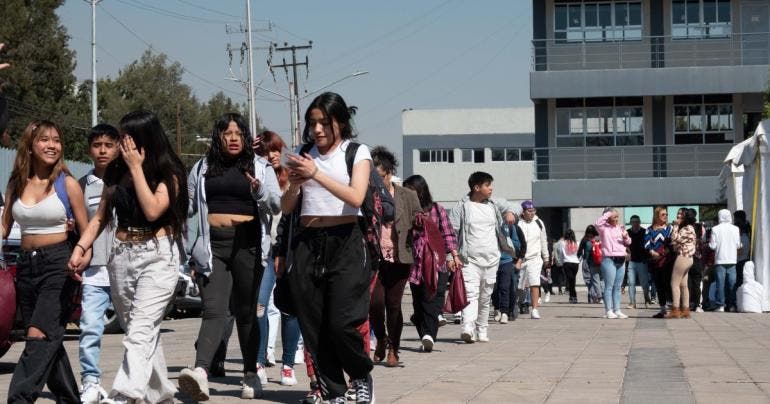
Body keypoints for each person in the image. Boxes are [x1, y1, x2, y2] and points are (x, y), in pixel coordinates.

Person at [68, 110, 189, 404]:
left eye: (128, 136)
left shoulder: (169, 172)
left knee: (139, 332)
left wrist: (136, 169)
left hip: (157, 258)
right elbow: (99, 219)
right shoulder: (115, 171)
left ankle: (123, 394)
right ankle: (161, 396)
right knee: (143, 332)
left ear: (146, 138)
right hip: (121, 257)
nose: (123, 143)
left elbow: (152, 210)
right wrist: (81, 248)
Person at [279, 92, 375, 404]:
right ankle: (333, 391)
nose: (317, 129)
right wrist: (295, 183)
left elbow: (357, 198)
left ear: (341, 123)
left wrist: (315, 174)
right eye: (312, 123)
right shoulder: (303, 154)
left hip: (345, 240)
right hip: (308, 242)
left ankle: (360, 375)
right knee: (314, 324)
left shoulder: (356, 153)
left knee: (341, 321)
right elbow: (287, 205)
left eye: (324, 123)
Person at [179, 113, 280, 400]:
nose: (233, 137)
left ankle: (250, 373)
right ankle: (201, 371)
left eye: (238, 132)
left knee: (246, 313)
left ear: (246, 137)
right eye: (227, 132)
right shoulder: (201, 168)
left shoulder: (260, 167)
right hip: (213, 248)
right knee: (214, 310)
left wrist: (259, 191)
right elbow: (191, 213)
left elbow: (275, 205)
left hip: (248, 245)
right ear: (218, 137)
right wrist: (191, 254)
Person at [4, 120, 90, 403]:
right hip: (26, 266)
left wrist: (82, 255)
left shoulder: (67, 184)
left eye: (57, 140)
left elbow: (86, 230)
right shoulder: (16, 183)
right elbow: (4, 228)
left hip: (58, 264)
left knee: (38, 335)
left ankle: (18, 398)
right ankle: (70, 399)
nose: (52, 145)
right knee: (47, 338)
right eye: (44, 139)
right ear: (30, 146)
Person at [254, 130, 302, 386]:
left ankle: (287, 365)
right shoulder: (255, 175)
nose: (271, 155)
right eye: (264, 151)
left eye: (275, 150)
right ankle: (260, 361)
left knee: (289, 309)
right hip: (263, 252)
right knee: (259, 307)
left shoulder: (291, 179)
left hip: (287, 250)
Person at [78, 124, 120, 404]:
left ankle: (132, 385)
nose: (102, 150)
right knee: (90, 327)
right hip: (94, 270)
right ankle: (90, 382)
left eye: (108, 144)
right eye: (97, 145)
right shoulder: (82, 185)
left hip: (127, 269)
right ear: (90, 150)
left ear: (118, 146)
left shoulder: (130, 179)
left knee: (138, 333)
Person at [368, 146, 421, 366]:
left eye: (379, 177)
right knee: (375, 304)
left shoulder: (407, 195)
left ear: (389, 173)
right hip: (375, 257)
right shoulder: (366, 193)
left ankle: (394, 349)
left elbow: (419, 218)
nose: (376, 182)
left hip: (401, 256)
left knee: (394, 305)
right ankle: (380, 338)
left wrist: (418, 222)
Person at [449, 171, 517, 341]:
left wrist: (510, 213)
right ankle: (468, 328)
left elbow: (516, 206)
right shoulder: (461, 207)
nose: (491, 189)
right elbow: (451, 233)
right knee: (471, 294)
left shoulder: (494, 205)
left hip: (492, 258)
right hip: (469, 259)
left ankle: (482, 329)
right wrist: (451, 256)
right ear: (476, 187)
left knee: (485, 296)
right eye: (487, 185)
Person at [402, 175, 461, 351]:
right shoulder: (404, 212)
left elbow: (448, 234)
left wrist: (454, 256)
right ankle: (424, 330)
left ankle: (429, 335)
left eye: (411, 190)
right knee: (419, 301)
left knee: (434, 297)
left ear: (421, 191)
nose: (408, 195)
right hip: (415, 263)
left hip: (437, 262)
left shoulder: (437, 210)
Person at [596, 208, 631, 319]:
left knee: (618, 287)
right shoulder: (603, 228)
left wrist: (626, 237)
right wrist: (609, 213)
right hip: (609, 259)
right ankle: (608, 310)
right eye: (614, 217)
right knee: (609, 286)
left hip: (621, 258)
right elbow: (597, 223)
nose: (616, 219)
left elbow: (629, 242)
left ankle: (617, 310)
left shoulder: (620, 228)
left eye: (617, 217)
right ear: (608, 217)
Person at [516, 200, 548, 319]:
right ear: (523, 212)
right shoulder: (518, 224)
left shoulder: (539, 223)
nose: (532, 213)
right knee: (519, 286)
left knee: (535, 283)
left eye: (533, 210)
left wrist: (546, 258)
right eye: (529, 211)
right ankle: (519, 304)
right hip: (521, 259)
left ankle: (534, 309)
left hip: (535, 258)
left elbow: (543, 240)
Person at [708, 209, 742, 313]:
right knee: (732, 283)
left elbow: (713, 246)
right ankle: (732, 305)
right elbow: (738, 245)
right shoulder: (736, 229)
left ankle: (720, 305)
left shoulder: (715, 229)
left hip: (720, 259)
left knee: (720, 283)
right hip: (732, 259)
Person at [645, 207, 674, 318]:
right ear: (657, 216)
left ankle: (672, 308)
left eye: (666, 214)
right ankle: (663, 309)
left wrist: (662, 253)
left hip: (667, 261)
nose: (665, 216)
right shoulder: (650, 229)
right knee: (659, 285)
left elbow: (671, 243)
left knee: (668, 284)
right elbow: (647, 243)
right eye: (663, 214)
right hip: (655, 261)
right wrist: (652, 252)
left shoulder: (670, 229)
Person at [669, 208, 697, 319]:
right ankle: (685, 310)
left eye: (681, 215)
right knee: (683, 285)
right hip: (689, 258)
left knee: (674, 284)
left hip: (683, 257)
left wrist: (675, 226)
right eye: (678, 214)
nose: (678, 217)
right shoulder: (691, 228)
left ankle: (675, 310)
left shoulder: (686, 228)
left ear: (685, 217)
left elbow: (675, 239)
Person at [626, 215, 651, 309]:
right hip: (631, 261)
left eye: (637, 221)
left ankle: (646, 298)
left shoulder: (645, 232)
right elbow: (624, 244)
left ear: (639, 222)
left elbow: (648, 245)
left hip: (642, 261)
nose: (635, 223)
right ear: (630, 222)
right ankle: (632, 302)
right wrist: (626, 251)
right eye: (633, 221)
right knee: (631, 283)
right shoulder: (627, 232)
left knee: (644, 283)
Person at [578, 225, 602, 304]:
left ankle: (593, 297)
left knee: (589, 281)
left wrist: (578, 258)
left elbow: (579, 251)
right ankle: (597, 296)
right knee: (598, 280)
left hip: (587, 262)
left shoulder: (585, 239)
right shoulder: (598, 239)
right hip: (599, 261)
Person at [561, 229, 580, 304]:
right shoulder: (577, 243)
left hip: (567, 262)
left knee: (570, 280)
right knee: (573, 279)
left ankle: (572, 296)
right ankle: (573, 296)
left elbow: (561, 253)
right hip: (575, 263)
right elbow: (581, 253)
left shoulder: (563, 243)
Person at [733, 210, 751, 288]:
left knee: (738, 283)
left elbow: (740, 252)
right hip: (742, 261)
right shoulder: (745, 234)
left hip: (740, 262)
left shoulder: (743, 238)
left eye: (735, 218)